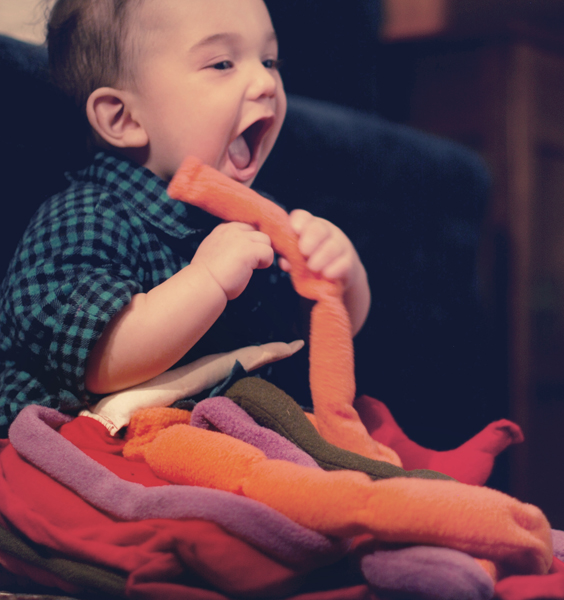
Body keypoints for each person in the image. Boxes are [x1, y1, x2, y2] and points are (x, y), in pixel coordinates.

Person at [0, 0, 370, 436]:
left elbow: (315, 335)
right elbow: (99, 361)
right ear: (123, 117)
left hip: (218, 444)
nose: (266, 81)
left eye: (269, 60)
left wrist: (343, 279)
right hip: (87, 441)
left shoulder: (256, 218)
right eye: (222, 63)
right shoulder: (85, 216)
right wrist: (207, 280)